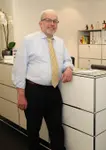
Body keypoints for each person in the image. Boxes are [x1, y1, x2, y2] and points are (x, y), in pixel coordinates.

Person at [12, 9, 74, 150]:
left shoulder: (60, 42)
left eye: (55, 21)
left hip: (53, 91)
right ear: (41, 23)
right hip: (34, 91)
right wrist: (21, 95)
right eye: (48, 20)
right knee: (34, 130)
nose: (52, 24)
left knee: (56, 128)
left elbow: (67, 60)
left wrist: (69, 68)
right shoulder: (29, 40)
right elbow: (19, 68)